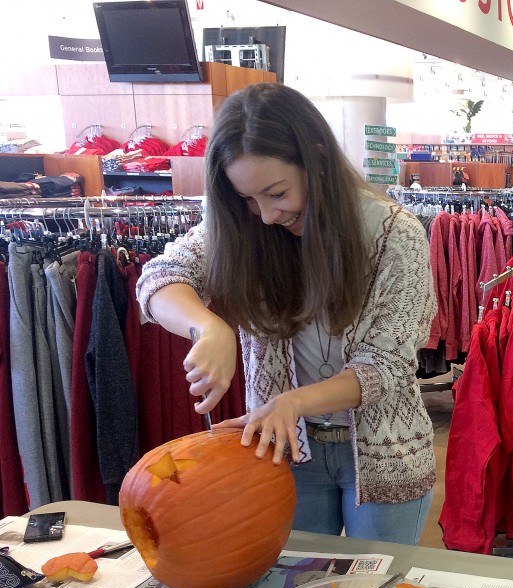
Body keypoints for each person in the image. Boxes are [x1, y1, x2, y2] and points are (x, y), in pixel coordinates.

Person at [136, 83, 437, 544]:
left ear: (315, 159)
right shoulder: (247, 231)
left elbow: (386, 366)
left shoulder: (395, 234)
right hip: (285, 452)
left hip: (386, 454)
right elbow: (160, 277)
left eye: (276, 193)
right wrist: (209, 327)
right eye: (247, 200)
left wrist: (291, 402)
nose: (265, 215)